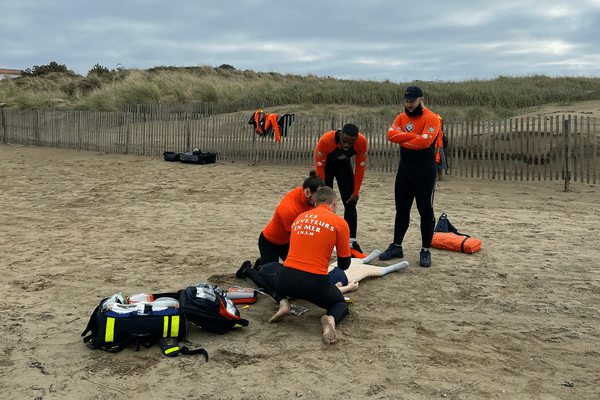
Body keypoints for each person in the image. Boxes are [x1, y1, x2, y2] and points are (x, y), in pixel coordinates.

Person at [238, 186, 352, 345]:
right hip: (316, 284)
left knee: (265, 269)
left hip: (287, 279)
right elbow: (344, 265)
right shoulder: (340, 223)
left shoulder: (300, 218)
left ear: (316, 202)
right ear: (334, 203)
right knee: (339, 303)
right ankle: (331, 321)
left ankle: (282, 302)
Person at [379, 86, 442, 267]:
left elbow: (425, 142)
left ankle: (425, 250)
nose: (409, 105)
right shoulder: (401, 117)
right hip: (404, 170)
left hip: (425, 171)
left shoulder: (432, 118)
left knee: (425, 209)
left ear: (421, 100)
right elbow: (391, 135)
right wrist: (414, 136)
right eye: (407, 102)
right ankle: (396, 246)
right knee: (401, 209)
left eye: (413, 102)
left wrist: (404, 138)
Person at [237, 170, 325, 276]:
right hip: (270, 242)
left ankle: (261, 263)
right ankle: (247, 270)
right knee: (269, 278)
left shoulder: (309, 197)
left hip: (285, 242)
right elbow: (296, 240)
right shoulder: (289, 209)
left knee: (300, 270)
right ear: (307, 192)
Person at [314, 123, 368, 255]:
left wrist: (356, 192)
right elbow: (319, 166)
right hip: (326, 167)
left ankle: (351, 241)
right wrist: (324, 189)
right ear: (340, 135)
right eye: (345, 140)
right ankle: (323, 239)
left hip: (344, 167)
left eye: (351, 142)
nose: (347, 145)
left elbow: (360, 167)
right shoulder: (327, 140)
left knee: (350, 203)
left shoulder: (361, 142)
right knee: (324, 205)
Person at [328, 250, 409, 293]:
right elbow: (329, 291)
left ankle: (364, 260)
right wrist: (348, 288)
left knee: (346, 262)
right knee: (365, 270)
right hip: (343, 277)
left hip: (331, 269)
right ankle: (390, 268)